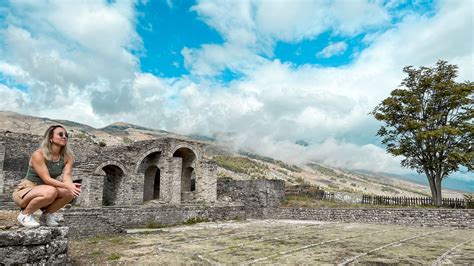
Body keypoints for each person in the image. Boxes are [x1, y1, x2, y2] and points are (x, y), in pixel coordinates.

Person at [12, 125, 81, 228]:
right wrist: (67, 185)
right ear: (50, 138)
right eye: (60, 134)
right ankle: (24, 215)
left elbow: (66, 177)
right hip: (26, 190)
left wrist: (71, 186)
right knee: (51, 191)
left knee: (69, 193)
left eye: (66, 135)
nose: (64, 137)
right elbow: (47, 179)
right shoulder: (39, 154)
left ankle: (46, 215)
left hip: (47, 190)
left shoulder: (68, 156)